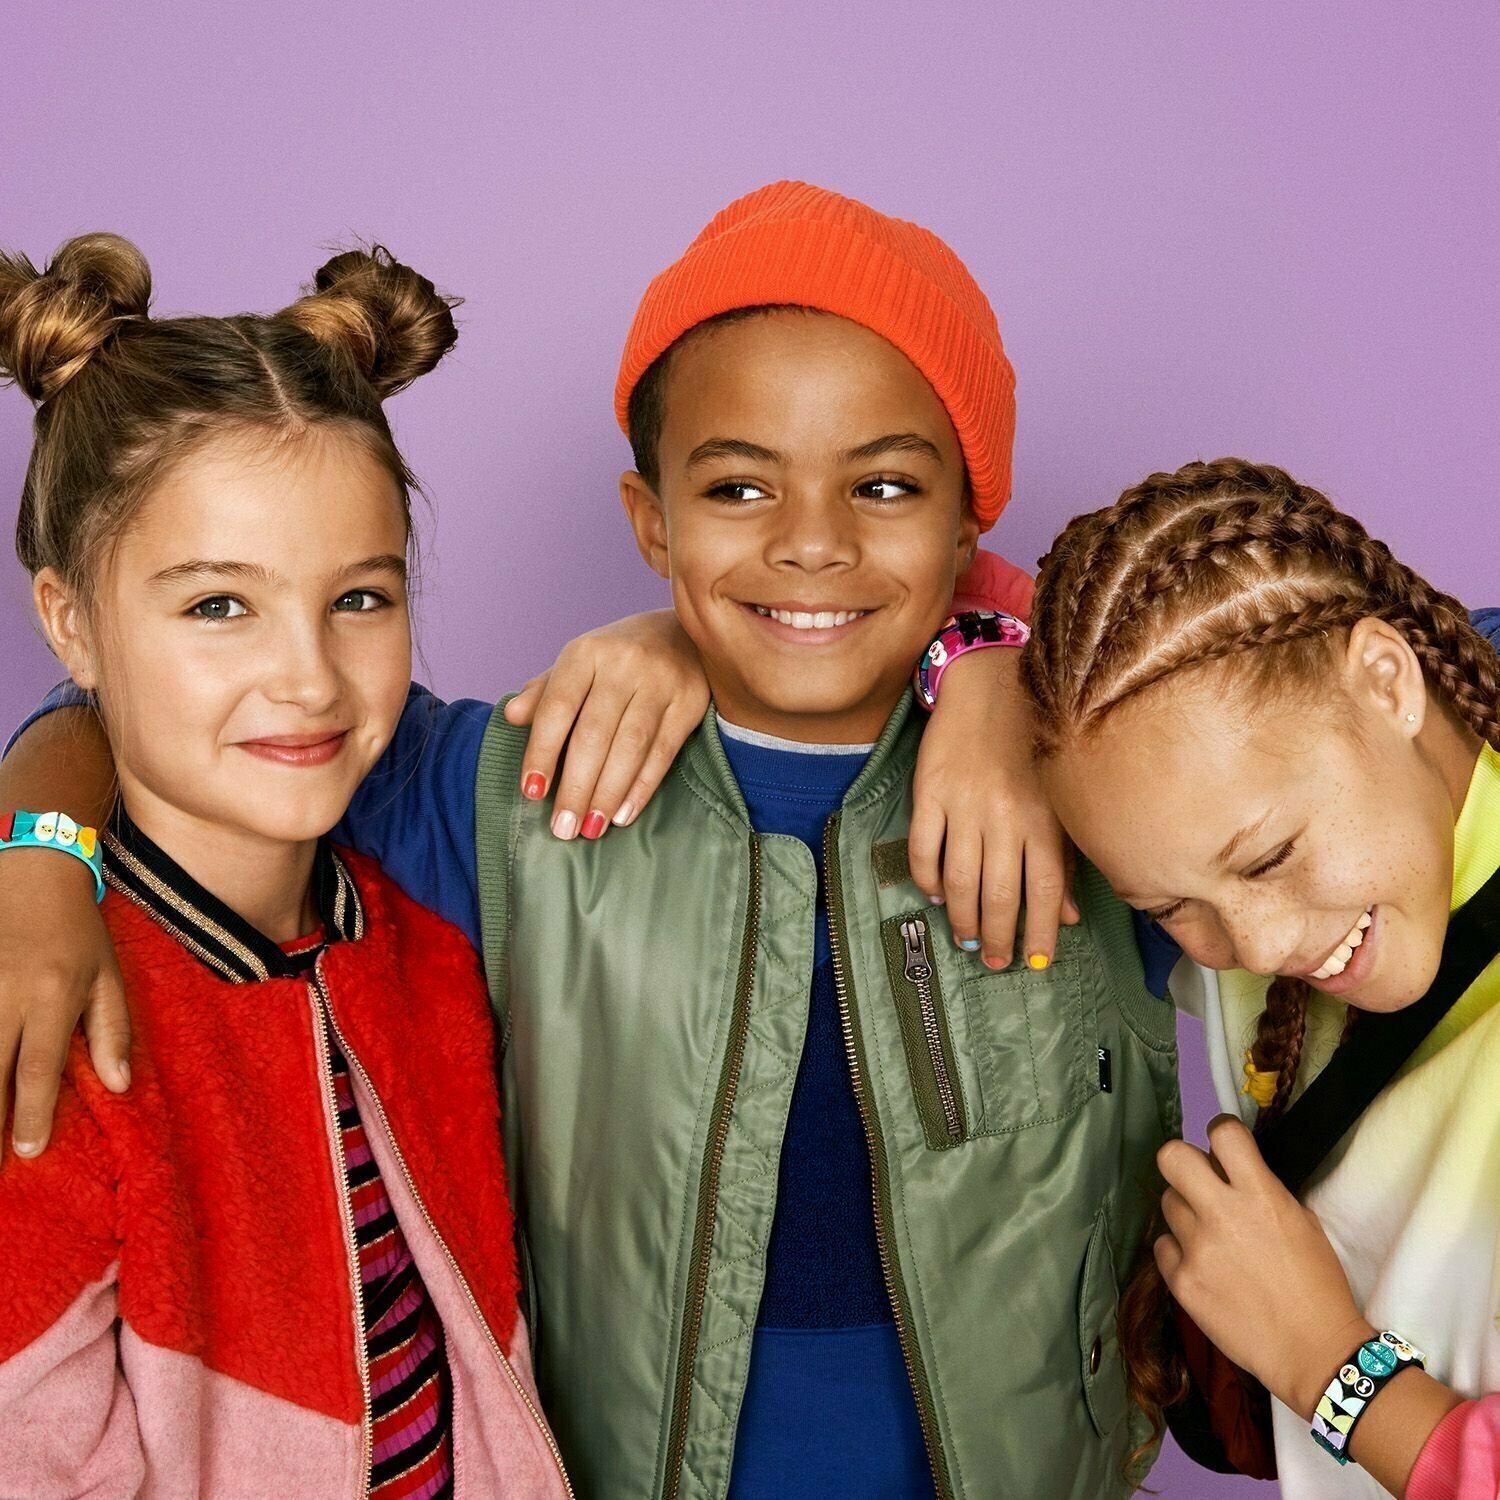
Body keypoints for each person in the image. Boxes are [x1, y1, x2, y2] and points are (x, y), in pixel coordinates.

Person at [2, 184, 1180, 1498]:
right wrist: (38, 852)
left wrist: (1003, 660)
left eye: (887, 484)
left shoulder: (1096, 787)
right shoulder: (509, 791)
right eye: (739, 486)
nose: (811, 542)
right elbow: (146, 705)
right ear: (651, 521)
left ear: (968, 519)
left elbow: (1323, 704)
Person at [0, 234, 573, 1494]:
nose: (309, 678)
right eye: (219, 605)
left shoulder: (427, 950)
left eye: (360, 598)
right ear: (70, 624)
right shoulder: (45, 1020)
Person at [1020, 455, 1500, 1498]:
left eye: (1272, 856)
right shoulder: (1210, 851)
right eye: (1168, 908)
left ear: (1390, 681)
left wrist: (1327, 1361)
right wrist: (969, 679)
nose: (1259, 945)